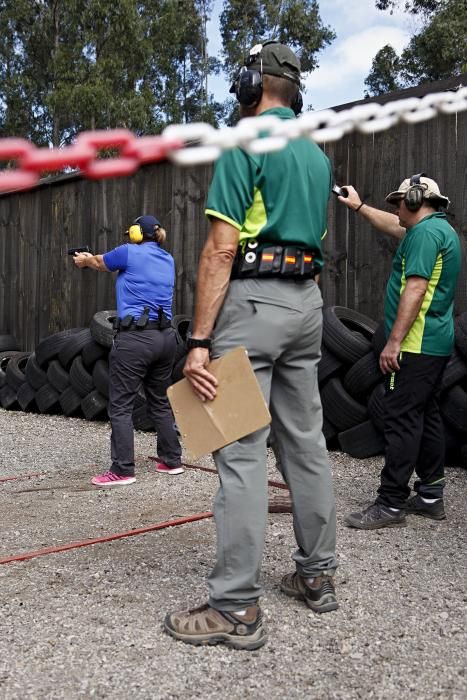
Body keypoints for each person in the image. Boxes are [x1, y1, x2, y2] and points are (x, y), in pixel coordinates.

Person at [164, 41, 338, 651]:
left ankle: (235, 606)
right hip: (306, 308)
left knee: (239, 452)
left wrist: (200, 341)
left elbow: (220, 249)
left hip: (252, 303)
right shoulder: (318, 157)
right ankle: (317, 575)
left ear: (251, 83)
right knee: (307, 444)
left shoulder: (244, 141)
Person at [337, 175, 461, 529]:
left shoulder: (423, 235)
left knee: (402, 420)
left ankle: (390, 504)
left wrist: (393, 342)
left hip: (413, 344)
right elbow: (396, 226)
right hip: (434, 344)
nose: (395, 207)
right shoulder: (437, 230)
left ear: (416, 198)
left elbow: (416, 288)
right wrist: (359, 207)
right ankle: (430, 495)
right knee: (427, 414)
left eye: (398, 201)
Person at [74, 215, 183, 487]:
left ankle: (122, 470)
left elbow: (100, 262)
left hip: (135, 339)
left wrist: (84, 260)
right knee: (159, 400)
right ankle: (171, 460)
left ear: (136, 233)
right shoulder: (167, 259)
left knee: (120, 405)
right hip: (166, 338)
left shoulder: (128, 252)